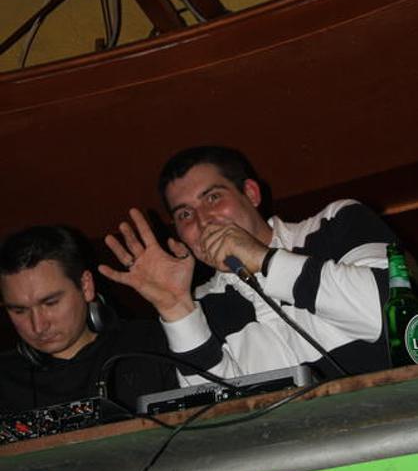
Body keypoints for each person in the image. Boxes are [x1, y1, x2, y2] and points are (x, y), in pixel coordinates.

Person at [99, 145, 398, 386]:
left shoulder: (333, 223)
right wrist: (177, 311)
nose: (203, 221)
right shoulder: (200, 305)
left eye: (213, 197)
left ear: (251, 194)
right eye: (185, 215)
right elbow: (218, 413)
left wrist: (263, 260)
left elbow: (393, 317)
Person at [0, 225, 178, 414]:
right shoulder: (4, 378)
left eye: (50, 303)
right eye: (19, 310)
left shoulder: (150, 344)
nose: (38, 326)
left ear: (86, 286)